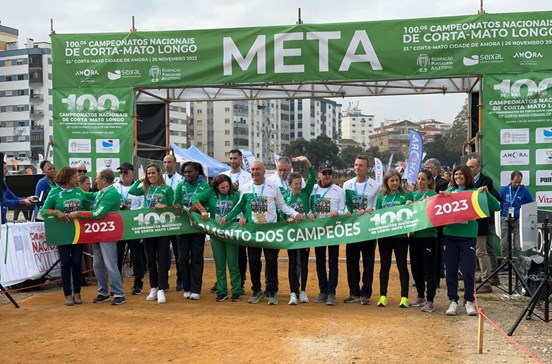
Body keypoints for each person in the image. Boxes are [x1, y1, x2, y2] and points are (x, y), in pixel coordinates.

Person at [220, 161, 302, 305]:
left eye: (258, 169)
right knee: (253, 262)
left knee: (271, 262)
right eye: (252, 169)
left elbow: (282, 205)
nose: (255, 172)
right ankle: (257, 291)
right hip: (253, 232)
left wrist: (295, 214)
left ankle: (272, 292)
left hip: (270, 231)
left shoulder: (272, 186)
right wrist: (227, 218)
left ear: (264, 172)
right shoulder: (246, 188)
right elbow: (239, 207)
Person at [440, 165, 500, 316]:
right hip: (450, 236)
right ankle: (453, 300)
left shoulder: (475, 192)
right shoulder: (449, 193)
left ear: (467, 176)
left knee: (468, 270)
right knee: (451, 270)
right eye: (456, 174)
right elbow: (435, 210)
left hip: (468, 237)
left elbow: (496, 206)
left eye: (461, 174)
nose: (458, 177)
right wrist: (441, 198)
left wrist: (487, 194)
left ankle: (469, 301)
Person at [67, 168, 126, 306]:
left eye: (97, 178)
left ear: (104, 180)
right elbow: (90, 196)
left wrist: (78, 213)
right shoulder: (102, 192)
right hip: (98, 232)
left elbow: (97, 214)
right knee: (97, 264)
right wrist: (75, 189)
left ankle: (118, 294)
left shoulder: (111, 194)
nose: (95, 180)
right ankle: (103, 292)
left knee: (110, 264)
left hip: (107, 233)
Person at [191, 174, 244, 302]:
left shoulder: (236, 195)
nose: (225, 189)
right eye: (222, 187)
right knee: (219, 263)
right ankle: (221, 291)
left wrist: (244, 217)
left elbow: (242, 207)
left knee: (233, 262)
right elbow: (195, 199)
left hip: (231, 232)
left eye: (227, 186)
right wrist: (203, 210)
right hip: (216, 233)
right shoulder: (210, 193)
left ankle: (236, 290)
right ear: (216, 187)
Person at [41, 167, 88, 306]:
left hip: (77, 233)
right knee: (66, 263)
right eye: (74, 177)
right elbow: (44, 210)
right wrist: (56, 213)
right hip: (61, 234)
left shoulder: (79, 191)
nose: (77, 179)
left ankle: (77, 292)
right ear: (67, 178)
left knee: (77, 262)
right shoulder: (55, 192)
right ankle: (68, 294)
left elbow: (88, 207)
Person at [128, 163, 174, 304]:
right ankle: (153, 287)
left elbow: (173, 206)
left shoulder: (167, 189)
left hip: (163, 229)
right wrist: (140, 180)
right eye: (149, 174)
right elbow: (132, 191)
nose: (151, 176)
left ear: (159, 173)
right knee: (150, 260)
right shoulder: (145, 188)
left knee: (163, 259)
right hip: (148, 228)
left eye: (153, 173)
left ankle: (161, 289)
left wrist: (164, 206)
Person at [342, 155, 380, 305]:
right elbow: (344, 204)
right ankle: (354, 292)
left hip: (368, 229)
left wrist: (372, 209)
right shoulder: (347, 185)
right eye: (356, 165)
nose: (358, 167)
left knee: (368, 261)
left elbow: (378, 206)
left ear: (368, 168)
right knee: (351, 261)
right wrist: (345, 211)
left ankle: (366, 293)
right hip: (352, 228)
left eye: (361, 165)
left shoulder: (375, 186)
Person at [375, 170, 413, 308]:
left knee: (402, 266)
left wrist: (411, 204)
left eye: (397, 180)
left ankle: (404, 297)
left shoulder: (406, 195)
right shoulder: (381, 197)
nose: (395, 183)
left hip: (401, 237)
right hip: (385, 237)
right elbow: (376, 216)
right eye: (392, 181)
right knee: (385, 266)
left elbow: (414, 212)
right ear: (386, 182)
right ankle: (383, 296)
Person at [309, 162, 345, 306]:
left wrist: (339, 212)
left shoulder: (338, 191)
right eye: (324, 173)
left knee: (333, 263)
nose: (328, 175)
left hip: (333, 231)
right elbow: (308, 208)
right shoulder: (313, 189)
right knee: (319, 262)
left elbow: (343, 208)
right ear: (319, 174)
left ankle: (331, 292)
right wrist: (310, 213)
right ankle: (323, 291)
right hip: (318, 231)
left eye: (330, 173)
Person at [174, 161, 210, 300]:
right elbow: (176, 202)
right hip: (183, 226)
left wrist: (200, 209)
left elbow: (208, 205)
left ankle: (196, 289)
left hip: (197, 228)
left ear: (197, 172)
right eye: (186, 172)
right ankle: (187, 287)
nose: (188, 174)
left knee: (196, 258)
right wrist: (177, 206)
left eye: (190, 172)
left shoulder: (204, 186)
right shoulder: (180, 185)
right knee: (182, 258)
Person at [282, 156, 315, 305]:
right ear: (289, 185)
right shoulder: (284, 197)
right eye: (296, 184)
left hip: (305, 234)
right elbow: (280, 214)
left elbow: (313, 176)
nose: (298, 186)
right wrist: (286, 219)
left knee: (304, 262)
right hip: (291, 235)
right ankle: (292, 292)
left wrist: (306, 161)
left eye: (300, 184)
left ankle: (303, 291)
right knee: (292, 262)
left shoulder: (305, 193)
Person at [467, 157, 501, 292]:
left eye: (472, 167)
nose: (469, 169)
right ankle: (482, 276)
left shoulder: (486, 181)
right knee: (476, 251)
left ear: (478, 168)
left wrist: (483, 193)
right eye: (467, 166)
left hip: (484, 221)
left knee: (485, 250)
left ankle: (490, 278)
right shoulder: (466, 182)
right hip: (470, 222)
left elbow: (495, 200)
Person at [221, 149, 252, 292]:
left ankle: (241, 281)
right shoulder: (223, 176)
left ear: (240, 160)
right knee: (224, 252)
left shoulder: (247, 177)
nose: (233, 161)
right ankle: (222, 281)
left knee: (240, 252)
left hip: (240, 220)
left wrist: (245, 215)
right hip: (225, 219)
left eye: (235, 158)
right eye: (231, 158)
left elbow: (247, 199)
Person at [408, 169, 438, 313]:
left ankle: (430, 299)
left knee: (429, 268)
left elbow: (437, 213)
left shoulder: (433, 195)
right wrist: (408, 204)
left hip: (429, 236)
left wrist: (426, 203)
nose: (420, 182)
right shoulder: (412, 195)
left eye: (423, 179)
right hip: (414, 236)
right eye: (418, 179)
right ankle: (420, 296)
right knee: (416, 267)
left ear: (429, 181)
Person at [115, 162, 146, 296]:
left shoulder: (139, 187)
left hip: (133, 225)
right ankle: (117, 286)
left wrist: (131, 212)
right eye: (121, 172)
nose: (123, 175)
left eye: (125, 172)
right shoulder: (115, 187)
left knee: (136, 255)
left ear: (132, 173)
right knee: (117, 256)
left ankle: (138, 283)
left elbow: (144, 206)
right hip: (119, 226)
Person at [499, 171, 533, 259]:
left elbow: (530, 205)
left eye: (519, 182)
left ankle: (518, 265)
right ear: (511, 180)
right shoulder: (504, 190)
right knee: (504, 243)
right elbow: (499, 204)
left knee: (517, 244)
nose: (517, 184)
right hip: (505, 218)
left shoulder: (525, 191)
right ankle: (505, 264)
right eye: (515, 182)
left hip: (518, 220)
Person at [163, 154, 184, 291]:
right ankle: (163, 282)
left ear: (175, 163)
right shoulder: (160, 179)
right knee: (163, 254)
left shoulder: (181, 180)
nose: (167, 165)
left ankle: (180, 279)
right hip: (163, 222)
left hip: (177, 221)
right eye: (165, 162)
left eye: (169, 162)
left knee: (179, 253)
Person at [77, 174, 93, 286]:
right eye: (87, 183)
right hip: (79, 226)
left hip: (87, 225)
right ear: (80, 184)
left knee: (86, 251)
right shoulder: (80, 194)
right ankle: (80, 276)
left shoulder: (87, 194)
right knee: (81, 252)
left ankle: (86, 274)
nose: (89, 186)